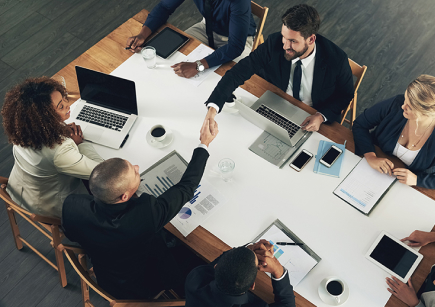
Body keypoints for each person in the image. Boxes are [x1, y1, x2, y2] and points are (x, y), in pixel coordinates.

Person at [61, 119, 219, 299]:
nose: (137, 168)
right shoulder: (145, 214)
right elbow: (186, 187)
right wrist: (204, 144)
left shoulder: (72, 205)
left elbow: (73, 235)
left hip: (106, 277)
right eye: (135, 173)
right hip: (143, 287)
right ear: (124, 197)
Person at [203, 4, 354, 133]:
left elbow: (345, 95)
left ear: (311, 39)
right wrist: (213, 108)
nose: (285, 46)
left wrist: (321, 116)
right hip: (274, 103)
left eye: (293, 41)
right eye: (284, 37)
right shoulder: (275, 43)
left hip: (312, 116)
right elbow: (239, 71)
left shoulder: (337, 60)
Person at [126, 0, 257, 77]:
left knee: (231, 79)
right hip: (207, 27)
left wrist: (198, 66)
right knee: (172, 56)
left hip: (239, 39)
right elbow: (165, 7)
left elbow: (235, 46)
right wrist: (142, 34)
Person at [1, 77, 103, 218]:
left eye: (64, 99)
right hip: (48, 207)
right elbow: (102, 172)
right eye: (61, 106)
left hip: (19, 190)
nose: (68, 105)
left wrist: (61, 130)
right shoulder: (59, 151)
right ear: (44, 118)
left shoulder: (23, 129)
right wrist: (81, 144)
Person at [352, 75, 435, 190]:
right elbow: (360, 124)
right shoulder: (397, 104)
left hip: (410, 188)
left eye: (410, 107)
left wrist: (417, 180)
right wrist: (371, 157)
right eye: (405, 99)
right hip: (372, 170)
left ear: (426, 114)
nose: (403, 106)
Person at [185, 239, 296, 307]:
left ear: (216, 266)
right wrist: (278, 270)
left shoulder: (196, 279)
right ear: (252, 285)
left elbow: (225, 259)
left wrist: (248, 249)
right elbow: (287, 305)